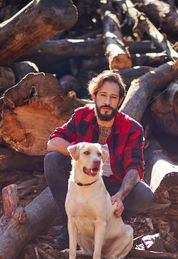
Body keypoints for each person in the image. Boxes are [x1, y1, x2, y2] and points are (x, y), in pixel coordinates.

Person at [44, 70, 154, 249]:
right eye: (103, 95)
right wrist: (80, 153)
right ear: (94, 96)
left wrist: (120, 195)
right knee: (53, 160)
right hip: (82, 183)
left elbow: (135, 167)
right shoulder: (82, 116)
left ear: (119, 101)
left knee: (144, 196)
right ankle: (69, 226)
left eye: (113, 97)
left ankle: (110, 225)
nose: (107, 102)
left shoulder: (133, 128)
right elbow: (53, 142)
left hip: (111, 186)